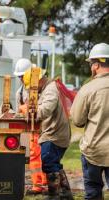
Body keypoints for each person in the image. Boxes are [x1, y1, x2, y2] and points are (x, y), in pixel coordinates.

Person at [22, 67, 73, 199]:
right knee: (54, 163)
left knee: (49, 164)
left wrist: (33, 115)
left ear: (38, 81)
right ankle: (66, 194)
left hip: (54, 134)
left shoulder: (50, 90)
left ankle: (53, 195)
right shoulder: (47, 89)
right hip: (55, 133)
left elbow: (46, 109)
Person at [71, 43, 109, 200]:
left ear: (96, 65)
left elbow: (78, 121)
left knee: (93, 192)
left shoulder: (88, 89)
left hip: (93, 151)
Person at [15, 59, 48, 195]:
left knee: (45, 156)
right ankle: (37, 184)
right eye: (19, 77)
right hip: (31, 129)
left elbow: (44, 108)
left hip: (44, 128)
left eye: (23, 76)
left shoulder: (43, 87)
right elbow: (20, 111)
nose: (21, 79)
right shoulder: (20, 92)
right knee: (34, 157)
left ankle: (46, 184)